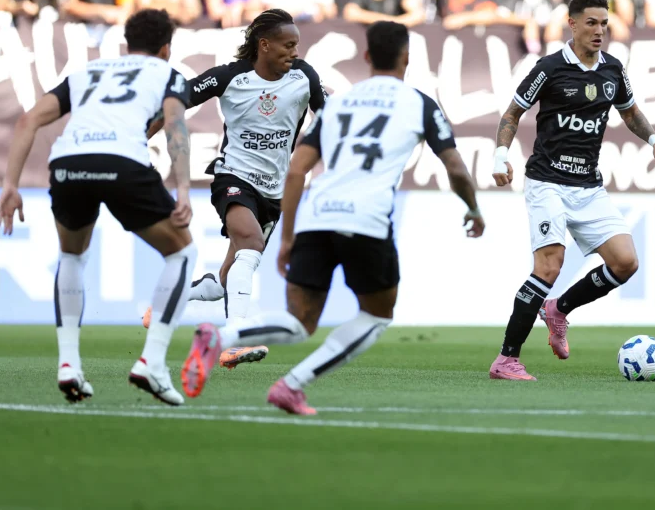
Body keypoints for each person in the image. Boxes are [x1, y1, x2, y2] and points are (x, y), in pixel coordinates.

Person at [180, 21, 485, 414]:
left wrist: (287, 238)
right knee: (376, 316)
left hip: (318, 218)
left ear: (367, 56)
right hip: (366, 222)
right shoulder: (419, 103)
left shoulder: (342, 103)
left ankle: (221, 338)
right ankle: (291, 384)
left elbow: (297, 170)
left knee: (299, 322)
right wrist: (473, 208)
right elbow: (456, 168)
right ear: (407, 58)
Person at [0, 8, 197, 406]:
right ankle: (152, 362)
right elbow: (175, 124)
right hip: (122, 160)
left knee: (71, 256)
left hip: (68, 163)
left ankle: (68, 364)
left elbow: (27, 121)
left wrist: (10, 184)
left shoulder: (87, 71)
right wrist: (185, 188)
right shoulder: (167, 73)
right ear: (166, 48)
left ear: (127, 43)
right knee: (182, 253)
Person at [488, 0, 655, 381]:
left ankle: (558, 309)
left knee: (625, 262)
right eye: (591, 22)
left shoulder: (613, 69)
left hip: (588, 186)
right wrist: (500, 154)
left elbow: (630, 111)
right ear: (571, 24)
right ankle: (506, 359)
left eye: (604, 23)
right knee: (549, 265)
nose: (599, 30)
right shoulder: (550, 68)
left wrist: (654, 140)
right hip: (547, 181)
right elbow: (513, 112)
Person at [142, 9, 326, 372]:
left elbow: (333, 119)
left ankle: (166, 304)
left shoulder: (304, 77)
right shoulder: (229, 76)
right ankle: (234, 338)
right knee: (251, 244)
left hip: (274, 192)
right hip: (234, 179)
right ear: (264, 45)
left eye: (297, 45)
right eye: (288, 45)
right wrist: (138, 140)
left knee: (226, 281)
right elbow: (176, 102)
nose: (295, 52)